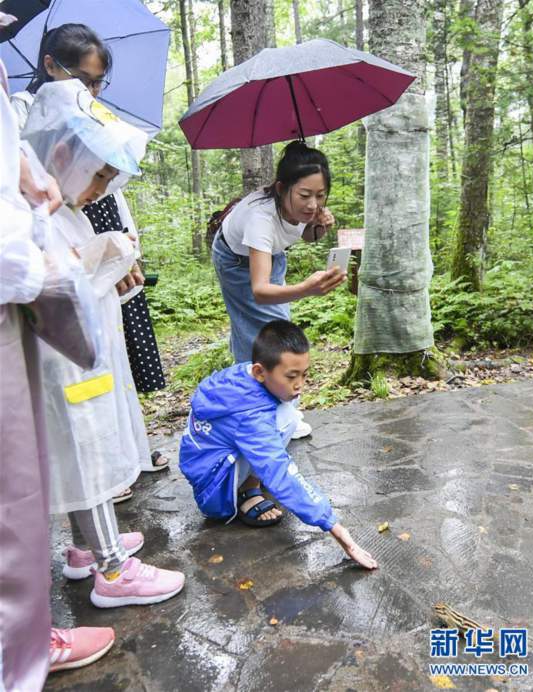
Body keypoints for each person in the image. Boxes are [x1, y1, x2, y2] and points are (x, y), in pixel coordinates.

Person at [21, 78, 185, 608]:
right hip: (60, 364)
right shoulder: (30, 212)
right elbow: (47, 289)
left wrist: (105, 255)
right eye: (98, 178)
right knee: (84, 451)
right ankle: (113, 570)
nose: (99, 192)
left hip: (76, 359)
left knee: (80, 451)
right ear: (64, 155)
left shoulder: (59, 206)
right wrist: (102, 259)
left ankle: (82, 549)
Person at [11, 23, 168, 489]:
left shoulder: (92, 119)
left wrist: (121, 244)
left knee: (117, 359)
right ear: (50, 66)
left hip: (92, 227)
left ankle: (129, 454)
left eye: (99, 82)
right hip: (59, 238)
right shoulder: (22, 115)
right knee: (81, 376)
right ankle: (99, 487)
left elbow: (106, 191)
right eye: (84, 79)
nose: (92, 90)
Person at [0, 50, 113, 688]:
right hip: (19, 286)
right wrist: (32, 263)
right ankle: (21, 647)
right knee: (19, 486)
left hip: (28, 288)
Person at [179, 320, 378, 569]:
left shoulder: (243, 377)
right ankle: (246, 493)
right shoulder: (249, 416)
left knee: (287, 414)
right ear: (260, 372)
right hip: (215, 490)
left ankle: (250, 481)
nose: (300, 384)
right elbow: (280, 470)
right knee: (285, 420)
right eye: (291, 376)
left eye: (304, 374)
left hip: (211, 464)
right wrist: (336, 529)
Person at [212, 141, 347, 439]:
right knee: (264, 335)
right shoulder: (260, 218)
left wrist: (318, 228)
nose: (312, 204)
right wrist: (306, 289)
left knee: (271, 330)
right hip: (236, 261)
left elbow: (306, 235)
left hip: (270, 255)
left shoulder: (304, 208)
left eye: (320, 195)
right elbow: (260, 290)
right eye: (304, 195)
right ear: (281, 187)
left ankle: (273, 405)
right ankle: (265, 414)